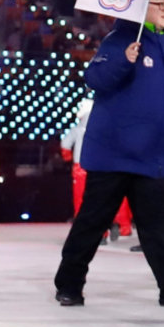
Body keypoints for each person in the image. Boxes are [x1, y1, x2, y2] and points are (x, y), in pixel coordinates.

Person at [53, 0, 164, 309]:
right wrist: (123, 59)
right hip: (114, 153)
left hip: (151, 154)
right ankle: (68, 284)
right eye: (160, 3)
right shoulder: (120, 39)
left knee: (156, 224)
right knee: (92, 222)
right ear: (142, 8)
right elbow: (95, 80)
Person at [61, 99, 131, 243]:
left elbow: (65, 144)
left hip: (81, 167)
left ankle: (89, 233)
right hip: (101, 165)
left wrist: (68, 157)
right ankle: (108, 226)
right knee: (101, 199)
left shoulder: (79, 127)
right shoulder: (106, 124)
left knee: (82, 201)